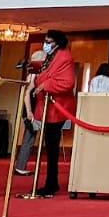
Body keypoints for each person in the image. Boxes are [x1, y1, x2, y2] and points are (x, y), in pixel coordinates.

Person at [26, 30, 76, 197]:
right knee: (49, 147)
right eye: (45, 40)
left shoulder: (64, 57)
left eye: (49, 41)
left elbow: (67, 82)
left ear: (58, 42)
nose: (45, 44)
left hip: (57, 108)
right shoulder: (53, 56)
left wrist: (45, 85)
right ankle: (50, 182)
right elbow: (47, 71)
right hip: (48, 107)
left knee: (52, 147)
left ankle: (51, 183)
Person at [13, 49, 47, 176]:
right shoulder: (33, 74)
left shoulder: (34, 73)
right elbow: (27, 93)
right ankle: (20, 166)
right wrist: (29, 111)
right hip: (31, 109)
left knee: (29, 138)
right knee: (29, 138)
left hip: (32, 109)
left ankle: (20, 165)